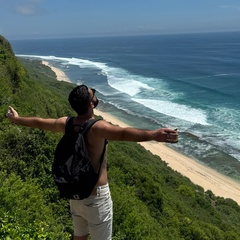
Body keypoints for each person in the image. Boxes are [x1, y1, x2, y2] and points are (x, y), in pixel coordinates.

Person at [6, 84, 178, 240]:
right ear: (91, 104)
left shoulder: (66, 123)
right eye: (92, 94)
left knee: (79, 237)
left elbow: (39, 122)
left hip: (75, 193)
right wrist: (154, 135)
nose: (95, 94)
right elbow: (124, 133)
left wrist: (16, 119)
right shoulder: (97, 127)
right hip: (97, 197)